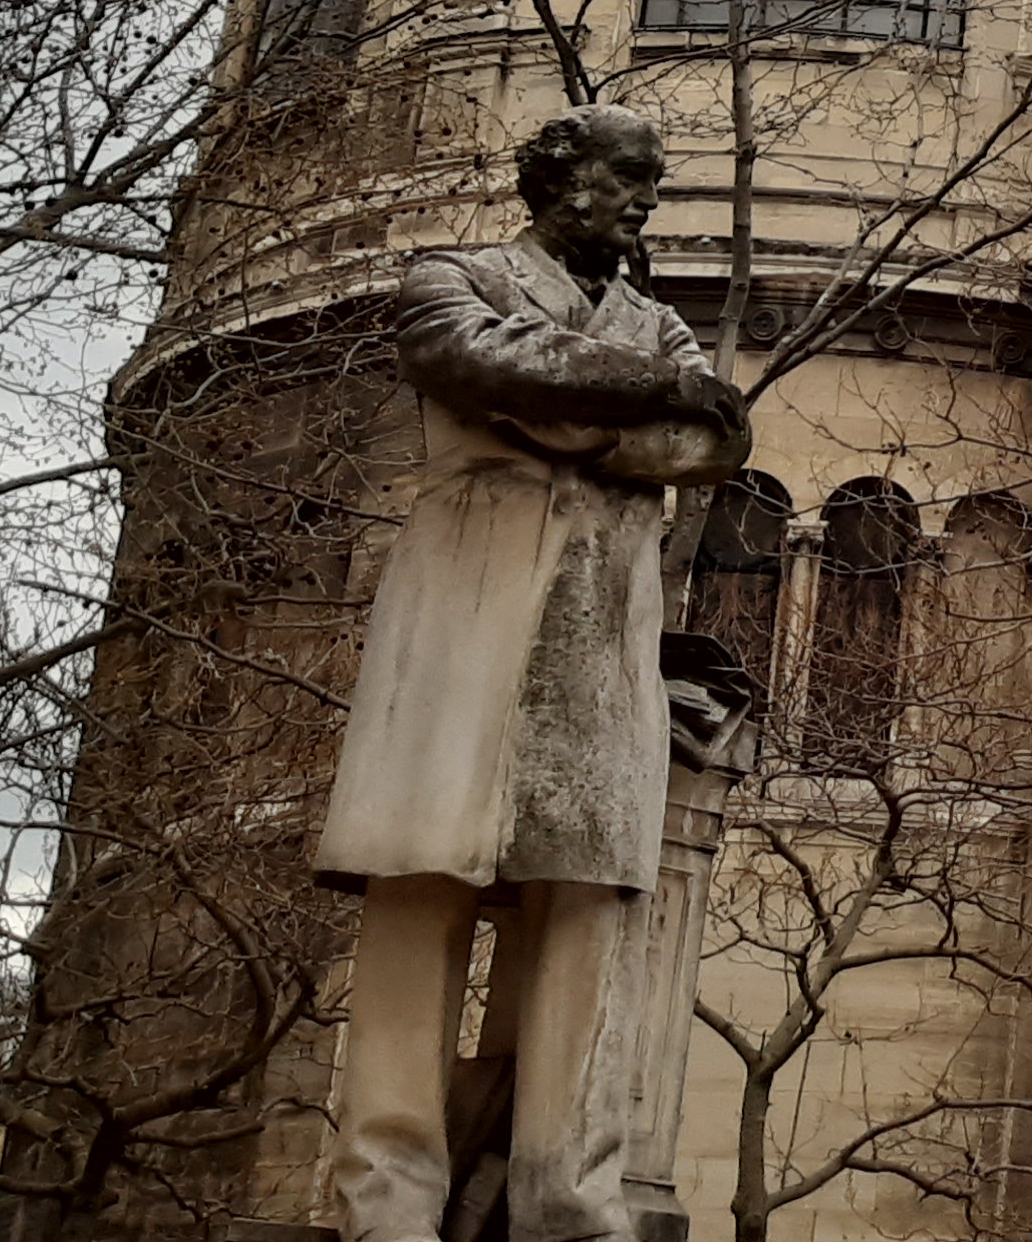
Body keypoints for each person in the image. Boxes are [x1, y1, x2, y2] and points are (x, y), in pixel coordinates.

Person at [313, 106, 750, 1242]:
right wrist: (629, 400)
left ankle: (569, 1200)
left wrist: (550, 409)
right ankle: (388, 1201)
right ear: (561, 179)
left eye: (653, 184)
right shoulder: (452, 276)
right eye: (630, 180)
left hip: (599, 631)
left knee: (587, 909)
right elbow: (465, 356)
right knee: (420, 892)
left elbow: (709, 445)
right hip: (460, 620)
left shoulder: (660, 322)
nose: (646, 203)